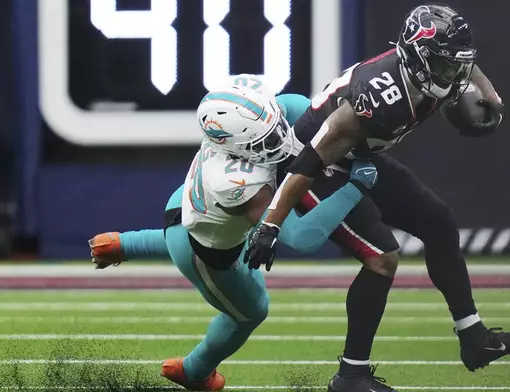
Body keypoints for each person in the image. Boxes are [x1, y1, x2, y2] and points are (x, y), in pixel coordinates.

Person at [244, 4, 510, 392]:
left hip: (359, 157)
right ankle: (351, 376)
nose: (452, 76)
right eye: (444, 65)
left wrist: (490, 96)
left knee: (439, 222)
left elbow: (467, 65)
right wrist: (270, 222)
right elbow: (310, 160)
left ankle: (475, 339)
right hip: (317, 165)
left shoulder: (436, 66)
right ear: (418, 56)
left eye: (455, 65)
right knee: (382, 258)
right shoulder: (376, 96)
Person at [89, 77, 379, 391]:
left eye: (276, 126)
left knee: (205, 236)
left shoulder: (242, 115)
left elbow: (293, 106)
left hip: (185, 206)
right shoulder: (240, 184)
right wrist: (355, 188)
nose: (280, 139)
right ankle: (193, 371)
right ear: (237, 147)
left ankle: (122, 245)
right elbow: (300, 237)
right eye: (264, 142)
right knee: (251, 312)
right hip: (203, 248)